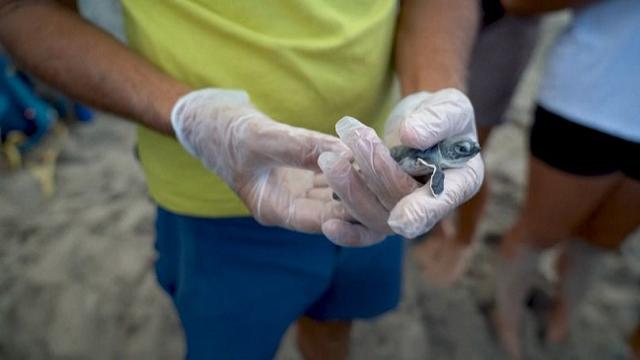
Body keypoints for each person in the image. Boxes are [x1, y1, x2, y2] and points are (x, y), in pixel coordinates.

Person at [0, 0, 484, 359]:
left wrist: (430, 92)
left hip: (381, 177)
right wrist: (189, 116)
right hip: (213, 195)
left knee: (337, 320)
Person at [493, 0, 640, 358]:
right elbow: (518, 4)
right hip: (587, 102)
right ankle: (505, 316)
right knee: (539, 232)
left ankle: (563, 317)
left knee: (601, 242)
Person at [411, 0, 540, 286]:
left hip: (506, 18)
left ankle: (464, 239)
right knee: (428, 131)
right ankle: (437, 225)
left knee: (465, 146)